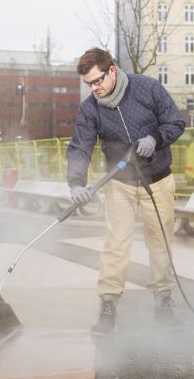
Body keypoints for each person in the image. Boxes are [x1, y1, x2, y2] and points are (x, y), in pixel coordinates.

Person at [66, 47, 186, 336]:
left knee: (160, 243)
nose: (95, 89)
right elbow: (81, 145)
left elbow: (176, 122)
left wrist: (155, 138)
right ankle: (108, 306)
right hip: (120, 184)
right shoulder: (90, 107)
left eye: (97, 81)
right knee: (115, 245)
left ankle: (163, 303)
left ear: (112, 71)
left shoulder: (147, 88)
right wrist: (76, 183)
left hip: (157, 180)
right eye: (89, 85)